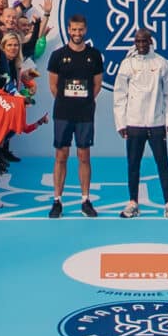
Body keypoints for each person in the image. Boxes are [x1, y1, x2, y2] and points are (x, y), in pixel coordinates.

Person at [112, 26, 168, 219]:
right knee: (133, 164)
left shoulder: (161, 63)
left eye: (144, 41)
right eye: (138, 41)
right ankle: (133, 202)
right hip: (134, 123)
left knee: (163, 164)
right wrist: (121, 123)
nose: (141, 44)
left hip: (157, 122)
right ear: (135, 43)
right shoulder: (127, 64)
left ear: (151, 42)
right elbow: (119, 95)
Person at [44, 14, 104, 218]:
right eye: (73, 30)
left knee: (84, 156)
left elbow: (97, 85)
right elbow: (53, 86)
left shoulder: (94, 55)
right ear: (68, 30)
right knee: (61, 156)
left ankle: (85, 200)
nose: (77, 33)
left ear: (85, 30)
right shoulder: (58, 55)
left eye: (80, 30)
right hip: (62, 112)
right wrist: (67, 101)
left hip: (85, 113)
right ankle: (57, 201)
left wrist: (83, 101)